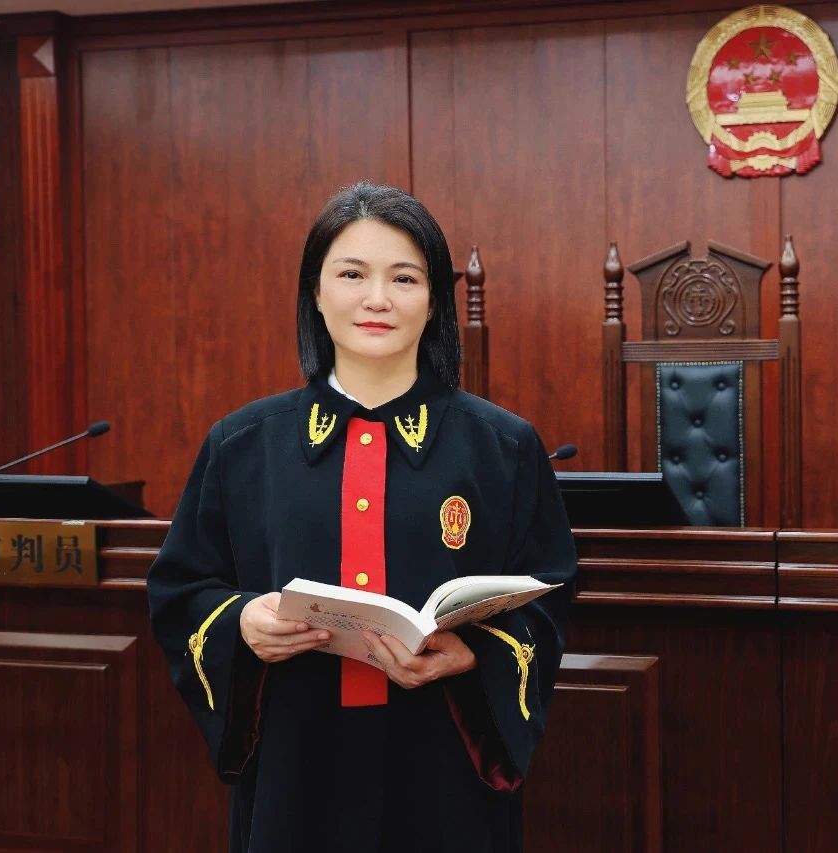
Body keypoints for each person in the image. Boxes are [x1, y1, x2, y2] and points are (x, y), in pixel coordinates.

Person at [147, 182, 577, 853]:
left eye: (404, 278)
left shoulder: (503, 446)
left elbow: (550, 595)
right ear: (315, 293)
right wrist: (243, 623)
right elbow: (181, 592)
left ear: (434, 300)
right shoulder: (242, 445)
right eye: (352, 274)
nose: (378, 298)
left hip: (444, 769)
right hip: (295, 765)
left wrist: (474, 651)